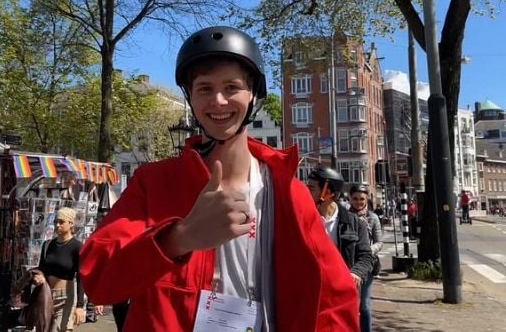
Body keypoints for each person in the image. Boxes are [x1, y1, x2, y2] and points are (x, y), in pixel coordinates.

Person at [80, 25, 360, 330]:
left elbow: (335, 301)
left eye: (231, 87)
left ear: (254, 95)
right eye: (204, 88)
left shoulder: (289, 194)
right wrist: (179, 239)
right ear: (191, 98)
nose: (218, 101)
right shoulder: (153, 182)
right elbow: (98, 280)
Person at [307, 167, 377, 325]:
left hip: (341, 293)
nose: (306, 191)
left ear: (328, 192)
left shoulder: (354, 223)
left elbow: (366, 256)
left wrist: (356, 273)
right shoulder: (303, 220)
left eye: (311, 188)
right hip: (313, 293)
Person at [37, 207, 86, 332]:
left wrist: (80, 305)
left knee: (61, 329)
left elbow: (81, 277)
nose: (57, 225)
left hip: (65, 296)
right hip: (46, 294)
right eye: (56, 222)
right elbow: (41, 269)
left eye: (61, 222)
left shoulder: (77, 247)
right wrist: (39, 276)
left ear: (70, 224)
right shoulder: (48, 245)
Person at [348, 183, 382, 332]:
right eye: (355, 198)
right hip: (348, 265)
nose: (358, 202)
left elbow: (379, 241)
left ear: (366, 199)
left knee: (365, 306)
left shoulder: (373, 218)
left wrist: (368, 250)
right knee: (350, 304)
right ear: (350, 199)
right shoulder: (344, 217)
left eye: (361, 199)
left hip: (366, 265)